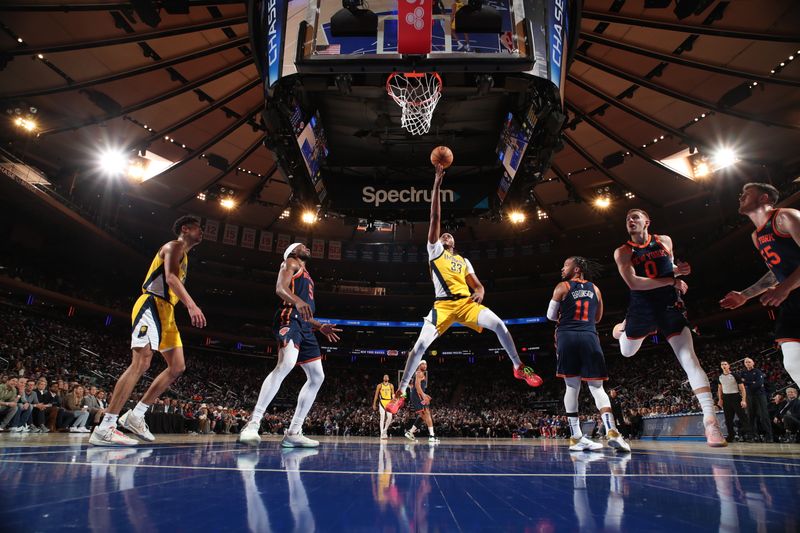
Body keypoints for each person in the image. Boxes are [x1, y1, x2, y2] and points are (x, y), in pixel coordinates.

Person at [387, 165, 542, 414]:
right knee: (419, 347)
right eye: (443, 235)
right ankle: (401, 392)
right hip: (442, 306)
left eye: (449, 236)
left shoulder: (463, 260)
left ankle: (518, 366)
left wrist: (480, 291)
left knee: (500, 325)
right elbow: (436, 218)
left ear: (454, 243)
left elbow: (477, 284)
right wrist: (437, 184)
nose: (445, 235)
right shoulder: (434, 251)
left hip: (467, 304)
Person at [612, 208, 726, 447]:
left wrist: (679, 271)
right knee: (626, 352)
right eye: (627, 218)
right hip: (641, 308)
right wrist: (673, 279)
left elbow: (669, 267)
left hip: (668, 306)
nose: (630, 220)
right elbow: (633, 282)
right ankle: (621, 327)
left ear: (647, 222)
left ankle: (710, 421)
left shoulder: (664, 241)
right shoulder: (623, 251)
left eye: (635, 217)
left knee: (690, 359)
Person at [90, 216, 206, 446]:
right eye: (198, 228)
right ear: (185, 229)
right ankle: (105, 427)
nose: (201, 232)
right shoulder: (173, 246)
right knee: (141, 362)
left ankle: (136, 414)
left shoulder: (186, 257)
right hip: (151, 304)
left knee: (177, 367)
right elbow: (170, 278)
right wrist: (192, 305)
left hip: (167, 312)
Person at [238, 243, 342, 448]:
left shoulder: (306, 274)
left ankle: (294, 431)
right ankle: (253, 424)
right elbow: (280, 289)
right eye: (303, 246)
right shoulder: (290, 262)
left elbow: (304, 309)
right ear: (293, 251)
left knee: (317, 376)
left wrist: (319, 326)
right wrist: (297, 302)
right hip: (289, 318)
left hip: (305, 325)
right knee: (286, 363)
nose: (308, 248)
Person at [720, 182, 800, 389]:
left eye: (747, 192)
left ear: (764, 198)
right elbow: (776, 272)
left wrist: (785, 287)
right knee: (793, 362)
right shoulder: (756, 236)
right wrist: (746, 295)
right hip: (792, 298)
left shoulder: (785, 216)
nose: (740, 195)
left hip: (790, 290)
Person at [547, 256, 630, 452]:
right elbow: (598, 317)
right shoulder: (596, 289)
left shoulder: (562, 287)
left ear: (576, 269)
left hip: (567, 336)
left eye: (565, 265)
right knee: (597, 387)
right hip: (589, 335)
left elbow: (550, 316)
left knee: (572, 386)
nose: (562, 268)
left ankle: (576, 437)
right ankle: (612, 431)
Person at [403, 360, 439, 444]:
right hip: (418, 396)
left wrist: (424, 394)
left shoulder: (418, 373)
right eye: (423, 364)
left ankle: (410, 432)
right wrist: (423, 395)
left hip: (416, 395)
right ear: (419, 365)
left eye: (426, 364)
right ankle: (431, 436)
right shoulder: (419, 373)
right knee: (427, 413)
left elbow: (414, 387)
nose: (425, 365)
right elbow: (417, 386)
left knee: (423, 416)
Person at [715, 361, 751, 442]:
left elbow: (742, 389)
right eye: (722, 364)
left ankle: (749, 435)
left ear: (728, 366)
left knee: (742, 417)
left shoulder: (735, 375)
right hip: (726, 398)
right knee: (728, 419)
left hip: (735, 397)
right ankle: (731, 435)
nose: (723, 365)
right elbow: (720, 389)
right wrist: (720, 399)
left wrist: (743, 400)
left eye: (725, 364)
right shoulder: (720, 377)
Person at [740, 358, 773, 442]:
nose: (747, 363)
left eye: (749, 362)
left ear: (753, 363)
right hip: (748, 396)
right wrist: (752, 383)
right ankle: (754, 436)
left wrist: (746, 383)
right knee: (750, 417)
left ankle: (769, 436)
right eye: (746, 362)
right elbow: (741, 384)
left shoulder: (758, 371)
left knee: (763, 416)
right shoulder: (743, 372)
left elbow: (759, 384)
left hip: (760, 396)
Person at [372, 374, 395, 439]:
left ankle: (385, 430)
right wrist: (374, 404)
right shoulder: (379, 385)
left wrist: (394, 401)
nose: (385, 377)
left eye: (387, 376)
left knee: (390, 417)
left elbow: (393, 395)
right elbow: (376, 395)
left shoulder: (391, 385)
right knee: (382, 417)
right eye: (384, 376)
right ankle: (382, 433)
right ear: (383, 378)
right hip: (382, 402)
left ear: (388, 379)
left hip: (389, 402)